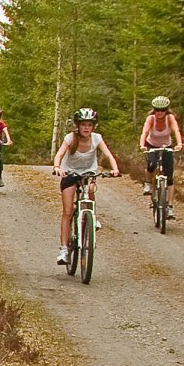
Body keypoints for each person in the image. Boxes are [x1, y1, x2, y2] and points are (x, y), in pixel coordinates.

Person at [52, 108, 120, 265]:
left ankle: (91, 217)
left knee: (90, 189)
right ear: (78, 125)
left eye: (89, 124)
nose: (86, 128)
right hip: (69, 174)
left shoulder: (96, 139)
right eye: (83, 124)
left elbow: (109, 155)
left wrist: (115, 169)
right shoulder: (70, 138)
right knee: (68, 211)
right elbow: (59, 154)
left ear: (93, 126)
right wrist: (57, 167)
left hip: (88, 173)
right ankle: (64, 249)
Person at [138, 94, 184, 219]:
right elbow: (145, 132)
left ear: (166, 110)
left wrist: (179, 144)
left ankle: (169, 207)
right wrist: (142, 145)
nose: (159, 113)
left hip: (166, 146)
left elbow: (176, 131)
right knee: (151, 165)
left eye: (162, 110)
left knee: (169, 178)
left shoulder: (170, 118)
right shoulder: (151, 118)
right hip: (151, 145)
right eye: (157, 110)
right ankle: (148, 183)